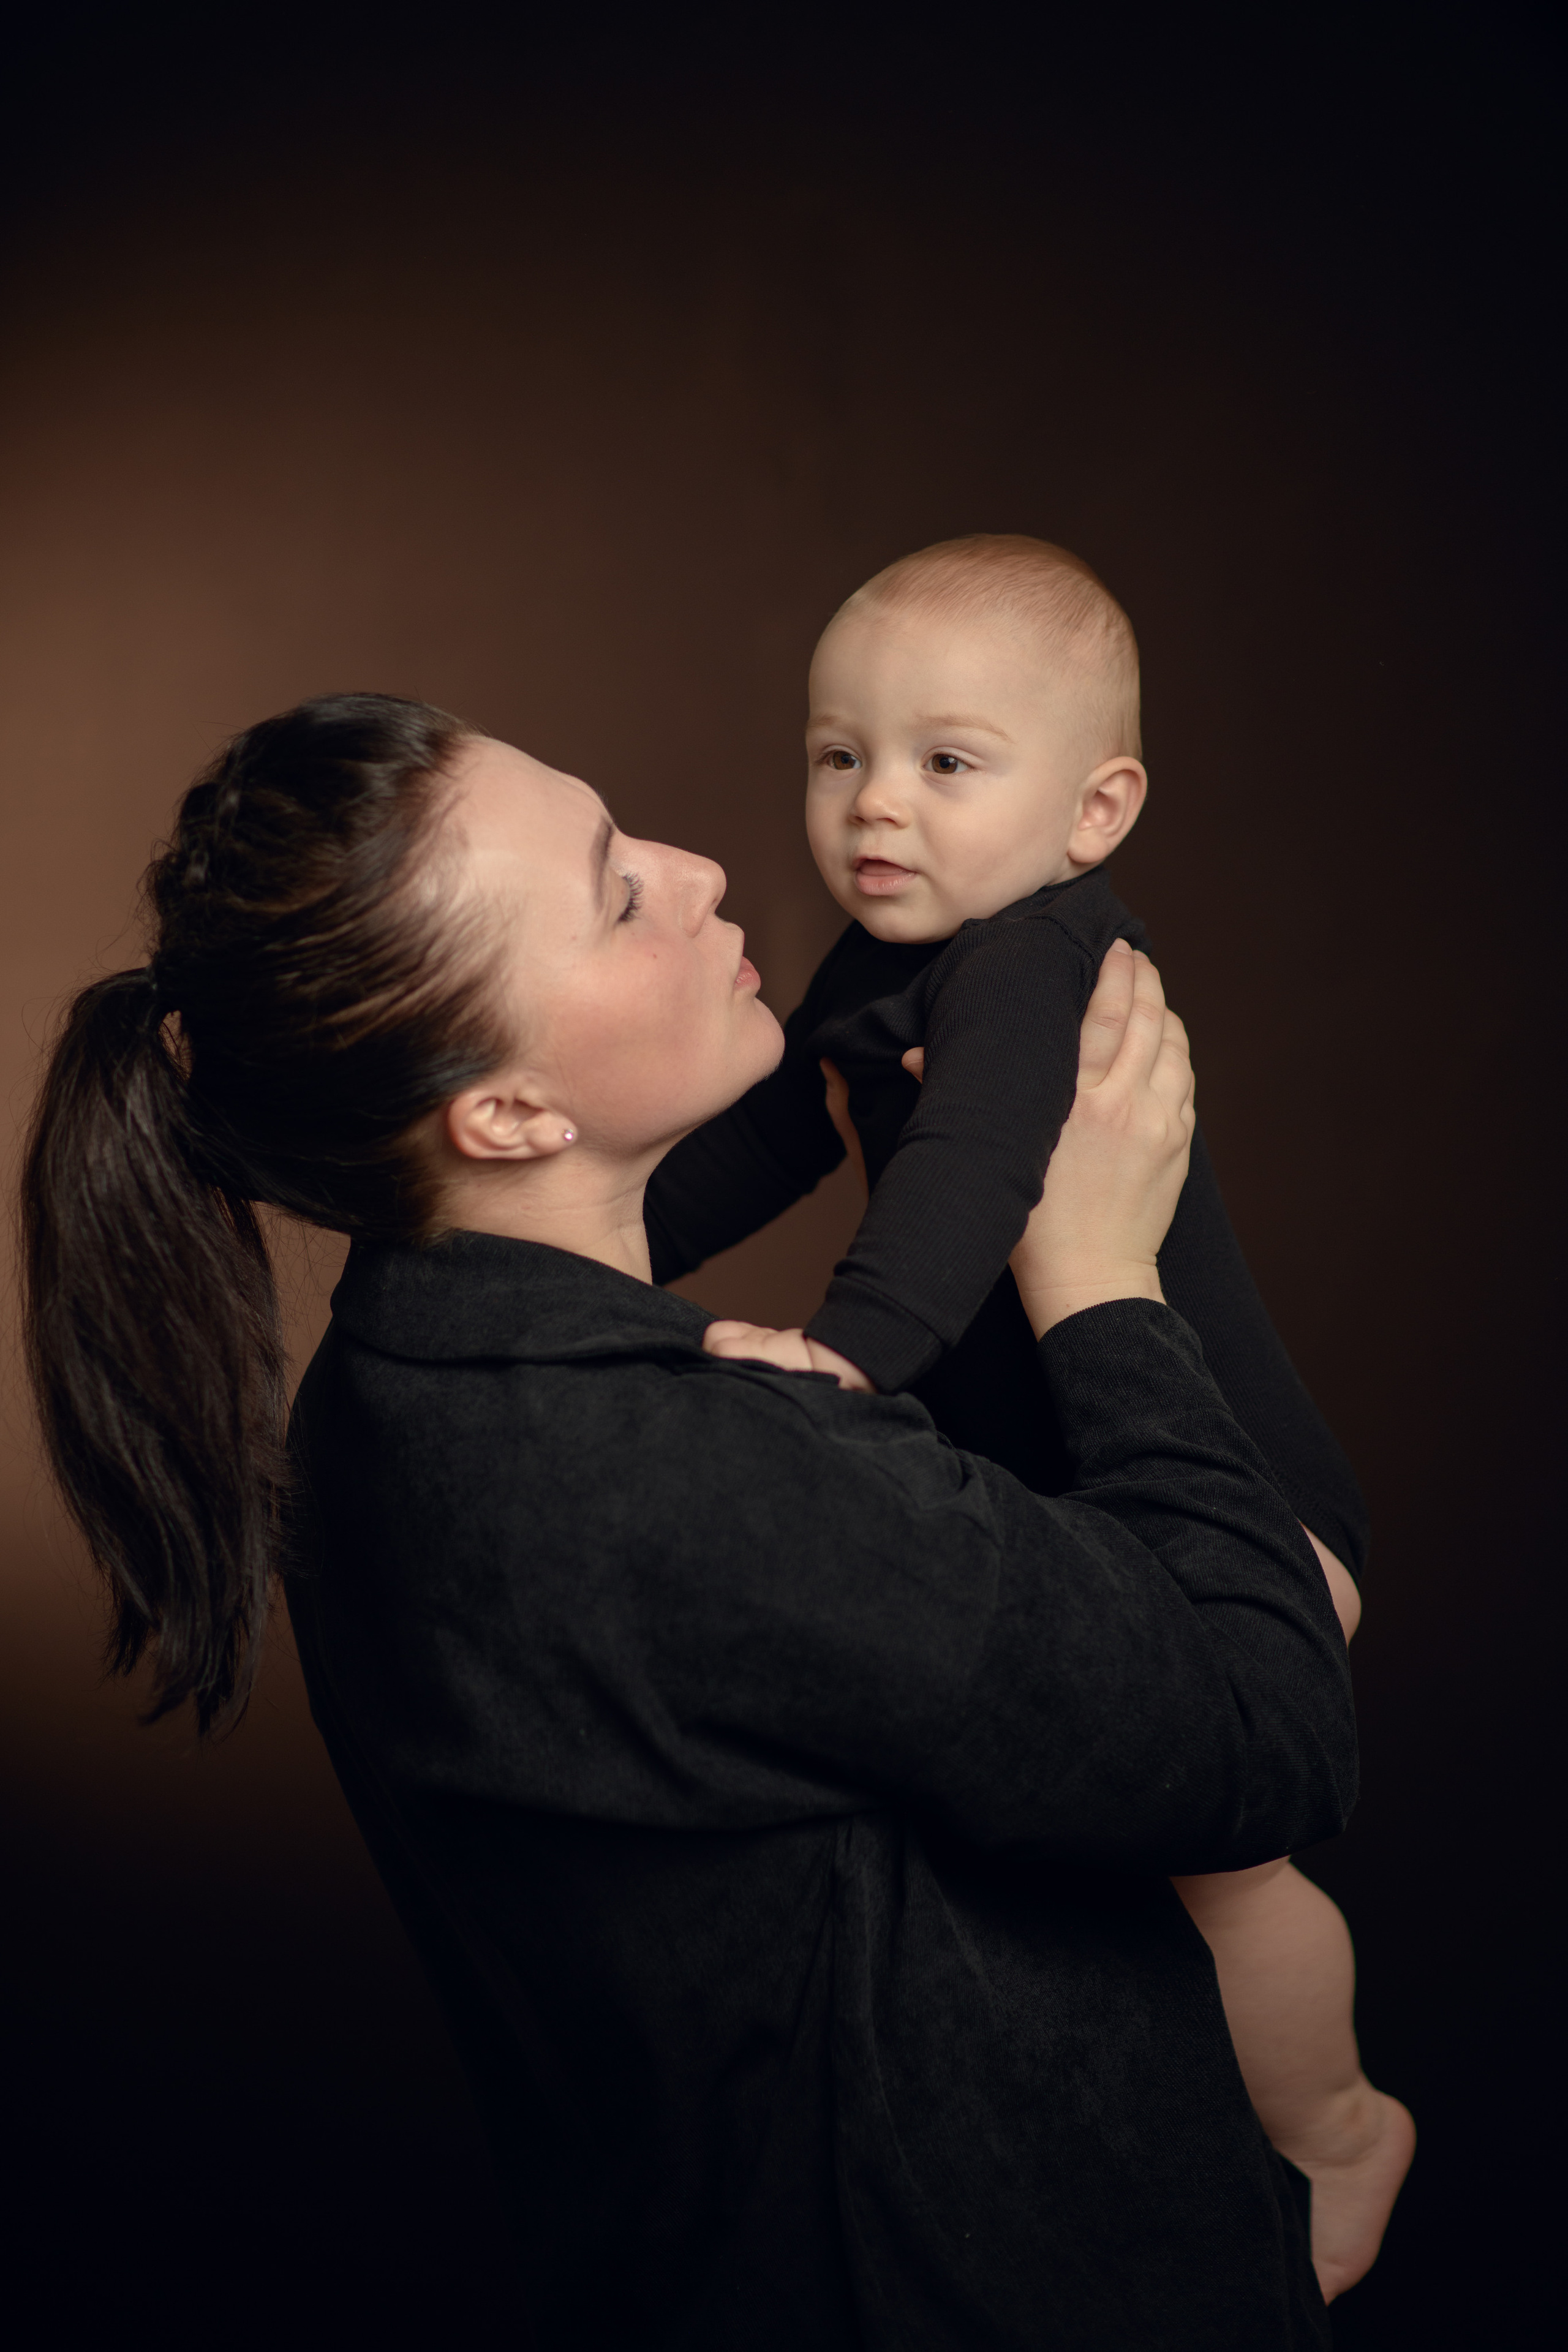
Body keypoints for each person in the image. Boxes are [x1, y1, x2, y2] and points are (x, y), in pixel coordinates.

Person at [23, 693, 1357, 2348]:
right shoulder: (692, 1472)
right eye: (614, 893)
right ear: (505, 1117)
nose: (704, 870)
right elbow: (1273, 1728)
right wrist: (1094, 1277)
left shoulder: (387, 1394)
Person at [646, 537, 1414, 2297]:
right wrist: (615, 1270)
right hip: (1074, 1505)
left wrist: (850, 1357)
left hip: (1234, 1506)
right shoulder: (887, 960)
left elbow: (981, 1175)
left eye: (946, 761)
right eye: (840, 754)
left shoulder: (1034, 964)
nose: (874, 806)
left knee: (1226, 1876)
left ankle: (1339, 2127)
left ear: (1098, 810)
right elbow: (770, 1139)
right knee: (1076, 1875)